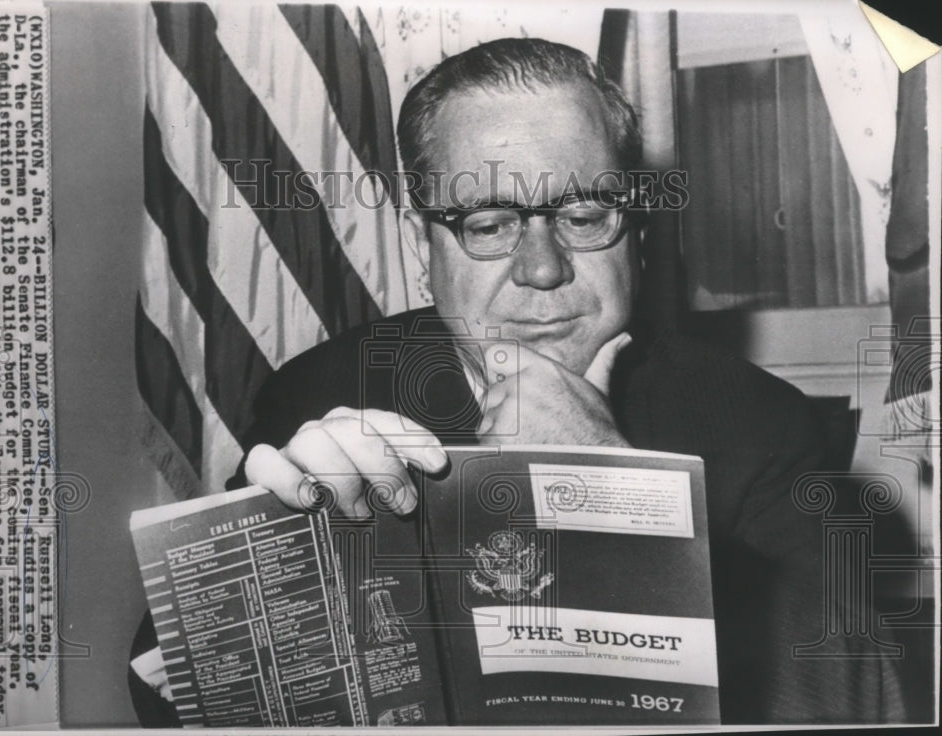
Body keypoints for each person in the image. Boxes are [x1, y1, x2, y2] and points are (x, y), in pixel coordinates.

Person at [130, 37, 905, 725]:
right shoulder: (322, 392)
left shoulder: (755, 422)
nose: (542, 268)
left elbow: (858, 704)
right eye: (490, 224)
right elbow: (158, 685)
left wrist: (617, 490)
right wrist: (279, 567)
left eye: (582, 214)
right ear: (418, 246)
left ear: (633, 230)